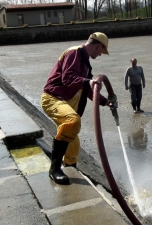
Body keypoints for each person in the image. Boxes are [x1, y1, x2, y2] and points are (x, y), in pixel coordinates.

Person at [40, 32, 117, 184]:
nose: (101, 54)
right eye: (102, 50)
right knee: (72, 120)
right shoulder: (74, 53)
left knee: (73, 143)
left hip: (65, 103)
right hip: (53, 99)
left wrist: (105, 102)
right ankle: (54, 169)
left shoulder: (85, 64)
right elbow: (67, 78)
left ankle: (70, 168)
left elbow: (87, 90)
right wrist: (88, 81)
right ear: (99, 45)